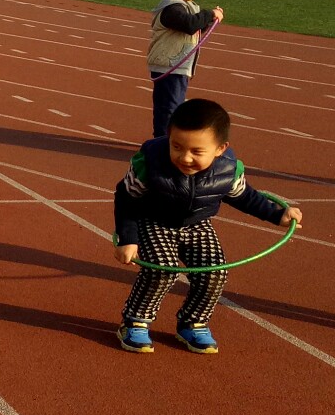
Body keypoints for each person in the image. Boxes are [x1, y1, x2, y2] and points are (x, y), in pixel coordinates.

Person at [112, 99, 302, 354]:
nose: (185, 157)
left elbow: (245, 197)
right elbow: (127, 198)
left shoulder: (228, 170)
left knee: (214, 272)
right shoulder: (150, 162)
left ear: (220, 149)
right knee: (162, 269)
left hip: (197, 224)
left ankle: (193, 322)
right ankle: (135, 321)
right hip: (154, 221)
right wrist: (128, 239)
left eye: (196, 151)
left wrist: (278, 215)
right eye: (176, 146)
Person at [147, 0, 222, 137]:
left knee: (171, 106)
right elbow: (189, 25)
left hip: (177, 67)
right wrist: (209, 13)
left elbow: (195, 28)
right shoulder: (171, 8)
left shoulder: (185, 7)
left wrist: (209, 20)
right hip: (169, 67)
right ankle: (164, 140)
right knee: (169, 107)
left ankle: (164, 139)